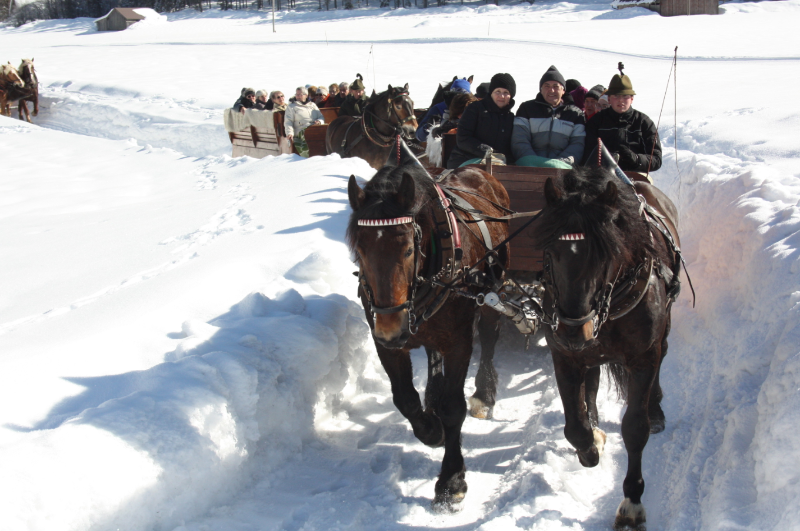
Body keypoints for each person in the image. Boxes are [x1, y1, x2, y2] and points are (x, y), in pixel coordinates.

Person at [582, 71, 661, 172]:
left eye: (625, 96)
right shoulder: (596, 121)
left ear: (632, 99)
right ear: (609, 99)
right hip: (602, 174)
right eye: (616, 96)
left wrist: (636, 159)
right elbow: (587, 155)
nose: (620, 100)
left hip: (635, 174)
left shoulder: (644, 122)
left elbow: (656, 159)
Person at [511, 65, 585, 168]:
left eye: (556, 86)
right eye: (547, 86)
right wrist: (533, 162)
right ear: (541, 90)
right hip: (529, 166)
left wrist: (558, 164)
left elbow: (577, 145)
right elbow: (519, 140)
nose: (551, 90)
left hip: (562, 168)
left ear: (563, 90)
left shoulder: (575, 114)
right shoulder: (527, 109)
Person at [446, 73, 516, 169]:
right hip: (465, 159)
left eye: (506, 92)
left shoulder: (510, 118)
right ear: (491, 93)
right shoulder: (475, 109)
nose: (502, 96)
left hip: (498, 163)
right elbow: (463, 138)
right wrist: (486, 151)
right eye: (498, 91)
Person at [416, 77, 471, 142]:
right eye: (455, 96)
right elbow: (420, 137)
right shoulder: (439, 108)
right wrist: (428, 126)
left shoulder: (473, 109)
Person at [285, 86, 324, 158]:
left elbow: (321, 117)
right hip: (301, 130)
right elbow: (288, 121)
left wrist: (319, 121)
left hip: (315, 128)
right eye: (297, 94)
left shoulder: (312, 105)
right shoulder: (292, 107)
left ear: (306, 95)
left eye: (300, 94)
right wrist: (289, 133)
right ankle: (309, 156)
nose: (298, 96)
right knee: (309, 136)